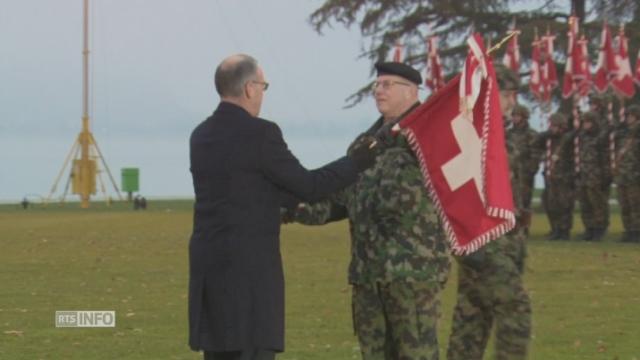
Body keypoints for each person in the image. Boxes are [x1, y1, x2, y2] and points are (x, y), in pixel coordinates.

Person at [188, 54, 378, 360]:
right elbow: (308, 185)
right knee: (253, 350)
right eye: (263, 86)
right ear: (250, 88)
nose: (262, 94)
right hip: (249, 277)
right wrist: (355, 163)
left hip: (210, 268)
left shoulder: (200, 136)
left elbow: (246, 188)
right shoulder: (261, 134)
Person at [291, 62, 450, 359]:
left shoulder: (428, 136)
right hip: (368, 275)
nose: (379, 90)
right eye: (377, 85)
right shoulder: (366, 145)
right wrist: (291, 206)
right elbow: (339, 200)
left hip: (413, 273)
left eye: (388, 84)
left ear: (412, 91)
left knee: (417, 354)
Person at [447, 65, 531, 360]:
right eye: (506, 95)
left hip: (503, 240)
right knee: (515, 308)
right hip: (484, 242)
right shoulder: (471, 135)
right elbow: (453, 190)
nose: (512, 102)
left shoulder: (499, 134)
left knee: (472, 317)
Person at [536, 112, 575, 240]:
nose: (552, 128)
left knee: (564, 205)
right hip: (550, 176)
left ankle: (564, 231)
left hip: (564, 177)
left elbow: (574, 135)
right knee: (551, 204)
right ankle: (556, 229)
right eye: (551, 126)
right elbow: (536, 141)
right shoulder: (548, 139)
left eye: (555, 126)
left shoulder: (567, 139)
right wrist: (547, 133)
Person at [506, 104, 540, 236]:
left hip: (525, 173)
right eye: (513, 116)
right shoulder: (508, 133)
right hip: (511, 173)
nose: (514, 118)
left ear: (524, 117)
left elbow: (535, 154)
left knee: (525, 201)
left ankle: (524, 228)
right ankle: (512, 226)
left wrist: (531, 169)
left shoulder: (531, 134)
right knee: (512, 200)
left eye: (517, 116)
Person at [575, 111, 610, 241]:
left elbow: (605, 159)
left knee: (598, 203)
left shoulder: (600, 137)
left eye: (588, 122)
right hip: (583, 175)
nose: (585, 124)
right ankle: (589, 228)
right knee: (585, 203)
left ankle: (599, 229)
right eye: (584, 122)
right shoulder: (582, 137)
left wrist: (606, 176)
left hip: (595, 176)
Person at [614, 104, 640, 242]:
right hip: (622, 175)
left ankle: (636, 231)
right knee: (624, 205)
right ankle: (628, 230)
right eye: (628, 115)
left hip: (634, 176)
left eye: (631, 116)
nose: (628, 118)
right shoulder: (624, 135)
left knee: (635, 205)